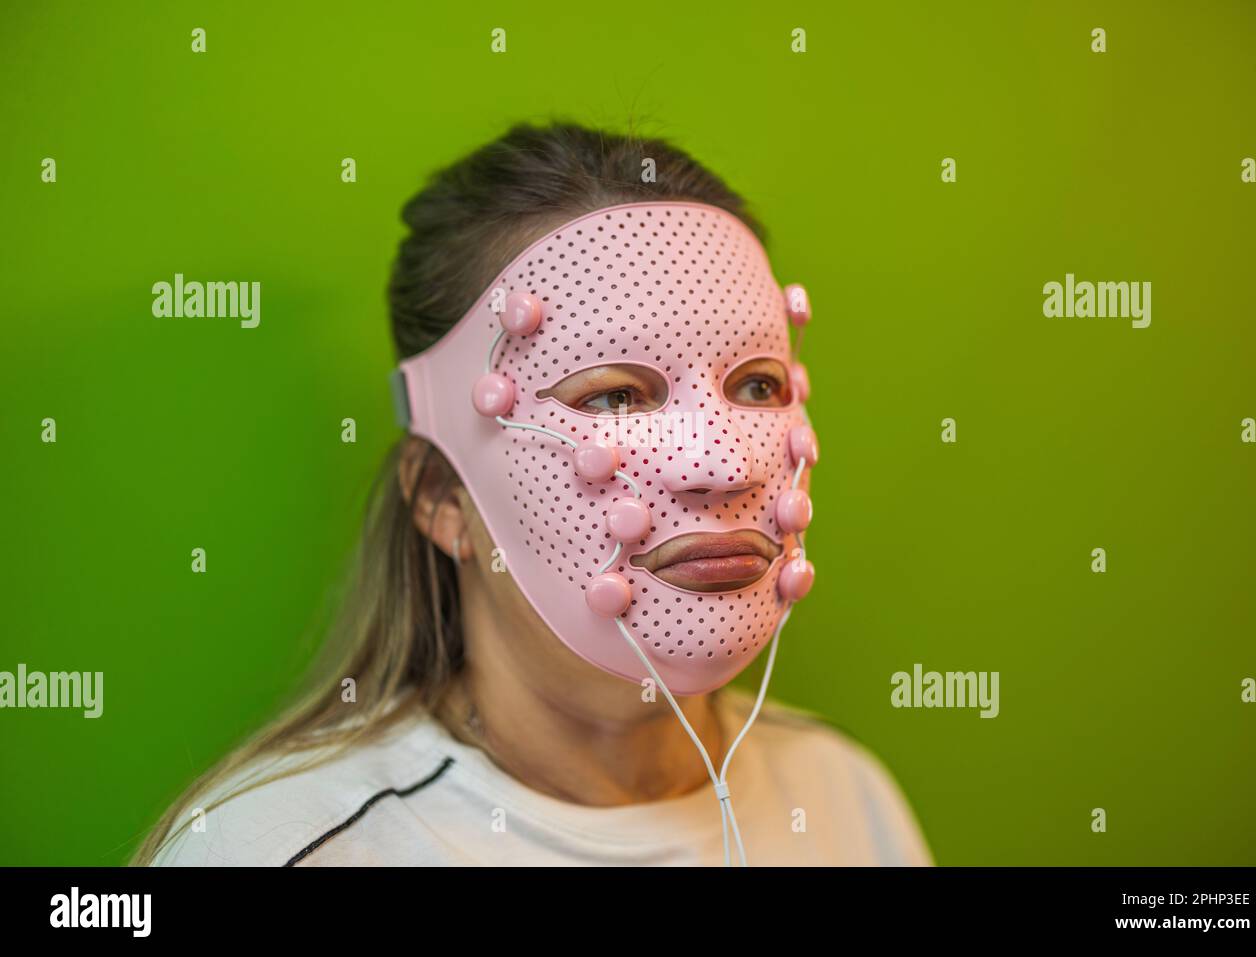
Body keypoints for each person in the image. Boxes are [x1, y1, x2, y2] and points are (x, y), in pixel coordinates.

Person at [137, 122, 931, 867]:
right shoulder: (274, 847)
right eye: (615, 396)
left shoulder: (845, 798)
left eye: (756, 385)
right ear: (441, 498)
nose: (722, 467)